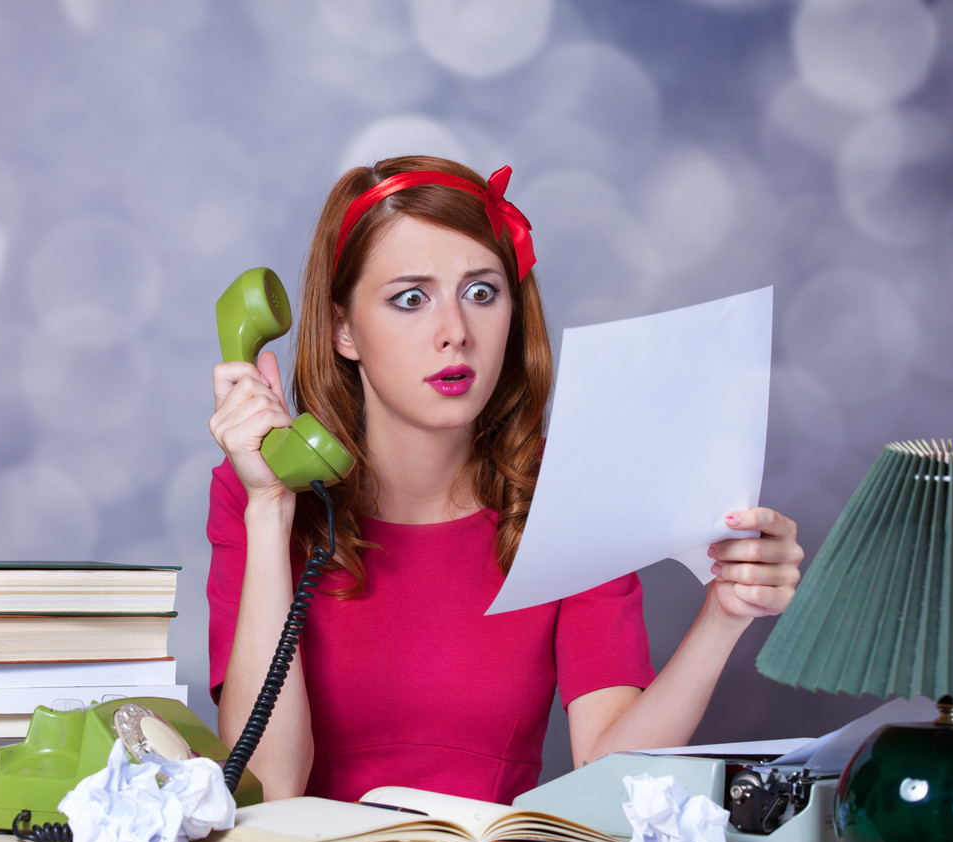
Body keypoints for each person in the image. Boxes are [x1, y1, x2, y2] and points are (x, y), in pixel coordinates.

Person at [207, 155, 803, 805]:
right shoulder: (256, 494)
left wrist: (723, 614)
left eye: (482, 292)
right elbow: (271, 790)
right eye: (411, 298)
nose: (455, 333)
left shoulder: (570, 491)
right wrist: (270, 508)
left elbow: (614, 779)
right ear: (343, 328)